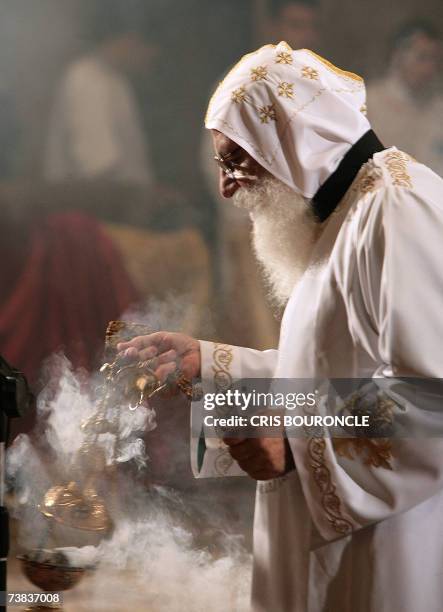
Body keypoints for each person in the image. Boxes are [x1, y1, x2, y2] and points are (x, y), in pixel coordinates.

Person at [118, 41, 443, 611]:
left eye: (235, 161)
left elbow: (429, 398)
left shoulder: (397, 210)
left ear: (292, 142)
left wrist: (296, 444)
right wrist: (216, 364)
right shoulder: (347, 213)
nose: (225, 188)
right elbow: (339, 370)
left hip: (390, 553)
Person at [45, 1, 158, 185]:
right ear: (127, 40)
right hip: (92, 207)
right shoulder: (85, 79)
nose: (150, 57)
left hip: (117, 203)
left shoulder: (116, 81)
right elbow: (98, 164)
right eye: (146, 47)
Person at [367, 20, 443, 176]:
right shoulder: (369, 103)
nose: (429, 68)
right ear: (398, 56)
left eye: (435, 59)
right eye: (422, 57)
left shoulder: (438, 108)